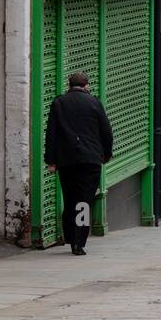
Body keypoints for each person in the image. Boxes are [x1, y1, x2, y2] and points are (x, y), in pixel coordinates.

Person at [45, 72, 113, 256]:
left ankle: (69, 236)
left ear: (69, 85)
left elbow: (51, 133)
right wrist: (107, 154)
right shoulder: (94, 103)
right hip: (90, 160)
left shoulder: (59, 103)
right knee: (84, 200)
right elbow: (106, 131)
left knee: (70, 198)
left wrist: (50, 160)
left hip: (66, 161)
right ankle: (79, 242)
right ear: (86, 86)